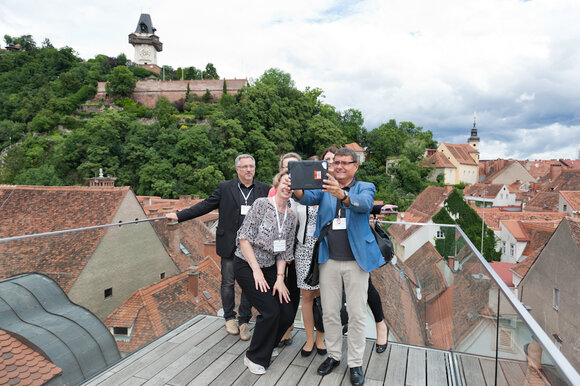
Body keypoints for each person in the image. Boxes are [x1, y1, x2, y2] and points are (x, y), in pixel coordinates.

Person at [293, 147, 383, 386]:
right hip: (328, 260)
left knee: (356, 314)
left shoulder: (365, 187)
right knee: (330, 312)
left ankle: (355, 363)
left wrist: (341, 194)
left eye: (345, 162)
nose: (339, 166)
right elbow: (306, 198)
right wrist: (297, 185)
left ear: (355, 166)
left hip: (356, 261)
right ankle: (333, 355)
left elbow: (363, 205)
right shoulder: (324, 187)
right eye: (337, 163)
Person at [165, 154, 269, 341]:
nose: (248, 170)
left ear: (255, 168)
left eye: (251, 166)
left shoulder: (264, 189)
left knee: (249, 285)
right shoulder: (225, 187)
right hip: (229, 244)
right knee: (228, 282)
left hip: (252, 246)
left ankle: (244, 320)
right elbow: (205, 206)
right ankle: (229, 317)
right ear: (237, 169)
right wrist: (179, 216)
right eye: (244, 166)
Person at [234, 171, 297, 374]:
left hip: (271, 267)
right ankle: (254, 357)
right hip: (247, 263)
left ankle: (267, 345)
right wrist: (256, 271)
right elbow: (244, 239)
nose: (288, 187)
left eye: (292, 185)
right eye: (285, 183)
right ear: (277, 184)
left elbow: (284, 252)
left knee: (287, 313)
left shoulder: (291, 215)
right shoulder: (261, 204)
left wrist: (280, 279)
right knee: (270, 311)